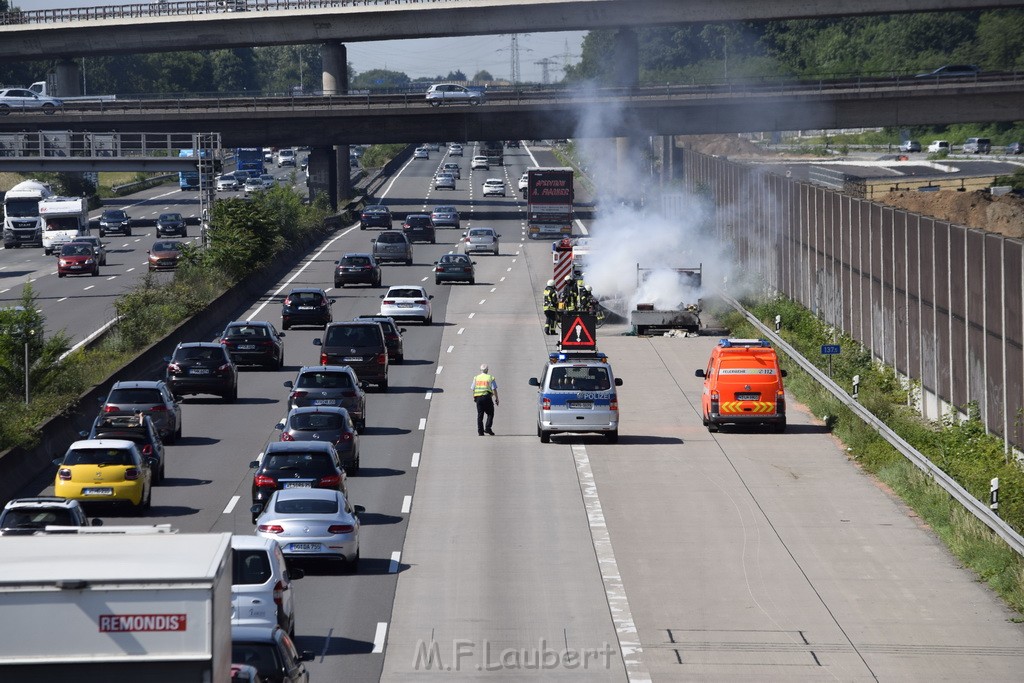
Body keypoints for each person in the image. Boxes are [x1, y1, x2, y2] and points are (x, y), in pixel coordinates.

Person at [472, 364, 499, 436]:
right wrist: (497, 398)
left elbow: (473, 388)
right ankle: (488, 428)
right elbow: (494, 389)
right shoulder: (490, 377)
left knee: (480, 415)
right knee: (490, 413)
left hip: (478, 398)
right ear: (487, 370)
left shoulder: (476, 377)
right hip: (487, 397)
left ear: (480, 370)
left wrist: (474, 397)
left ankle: (480, 432)